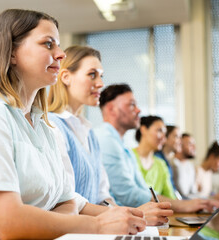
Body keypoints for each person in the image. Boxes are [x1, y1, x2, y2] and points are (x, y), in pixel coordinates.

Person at [0, 9, 147, 239]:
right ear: (12, 52)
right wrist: (99, 226)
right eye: (48, 44)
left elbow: (68, 201)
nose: (61, 54)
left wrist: (48, 217)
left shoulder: (44, 126)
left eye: (59, 45)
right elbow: (9, 222)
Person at [47, 45, 173, 225]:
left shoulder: (89, 133)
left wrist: (121, 215)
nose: (100, 83)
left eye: (101, 76)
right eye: (92, 74)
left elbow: (102, 195)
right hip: (74, 230)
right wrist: (133, 214)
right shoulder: (53, 126)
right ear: (66, 77)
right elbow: (64, 199)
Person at [95, 83, 216, 213]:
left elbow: (144, 189)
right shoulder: (106, 139)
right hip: (115, 218)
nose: (138, 110)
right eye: (131, 105)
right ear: (111, 109)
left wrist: (185, 204)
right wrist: (181, 206)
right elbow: (127, 194)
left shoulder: (124, 148)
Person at [133, 116, 176, 199]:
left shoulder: (161, 164)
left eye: (165, 134)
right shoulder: (128, 156)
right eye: (159, 131)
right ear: (143, 130)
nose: (164, 138)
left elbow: (170, 197)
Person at [154, 125, 181, 192]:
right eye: (176, 136)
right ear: (165, 137)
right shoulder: (157, 159)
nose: (180, 141)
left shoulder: (170, 161)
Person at [173, 133, 198, 198]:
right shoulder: (172, 164)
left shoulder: (190, 166)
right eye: (190, 144)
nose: (194, 147)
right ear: (180, 145)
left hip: (189, 200)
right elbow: (182, 193)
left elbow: (193, 191)